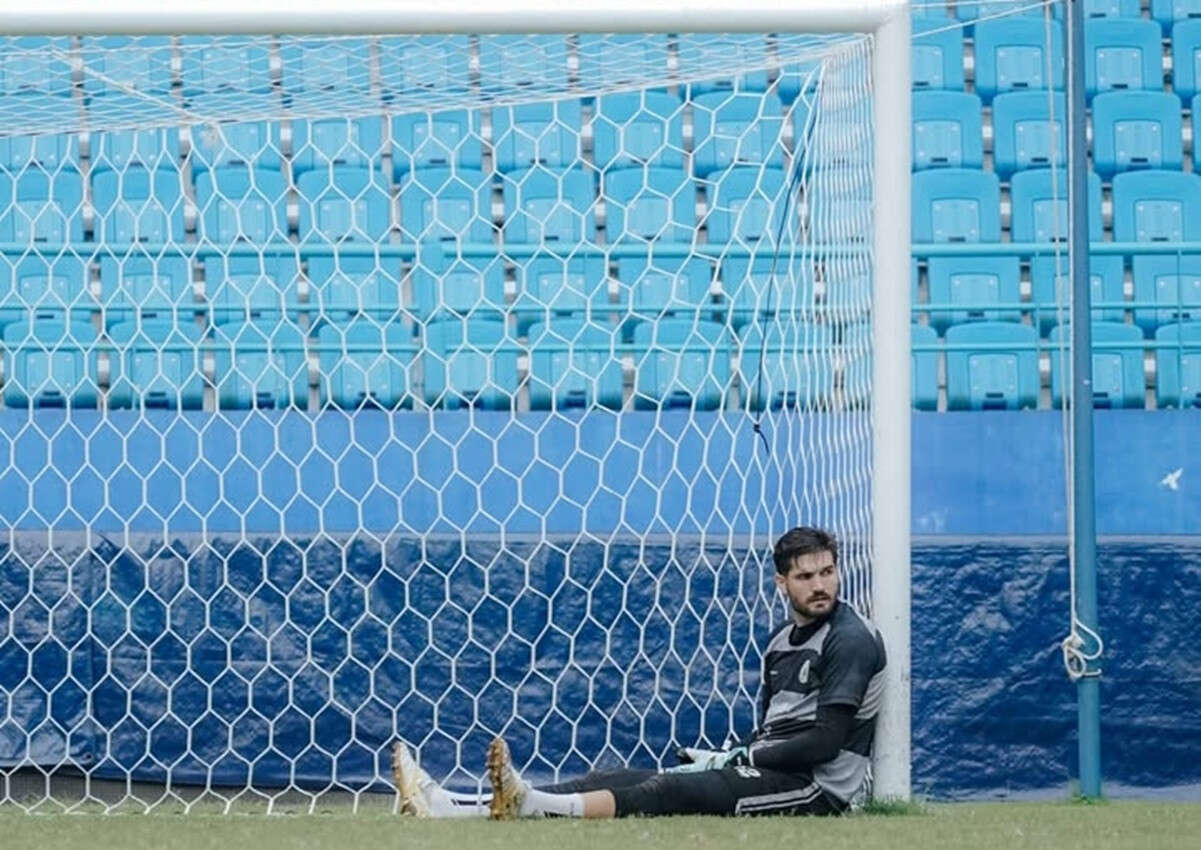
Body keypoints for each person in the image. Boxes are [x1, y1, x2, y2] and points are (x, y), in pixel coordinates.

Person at [393, 526, 886, 819]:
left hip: (814, 789)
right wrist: (733, 756)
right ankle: (459, 806)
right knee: (621, 775)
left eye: (827, 572)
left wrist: (741, 754)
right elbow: (771, 727)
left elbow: (824, 743)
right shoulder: (780, 640)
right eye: (805, 576)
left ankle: (525, 806)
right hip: (771, 766)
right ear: (782, 582)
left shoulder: (851, 639)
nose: (820, 585)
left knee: (668, 790)